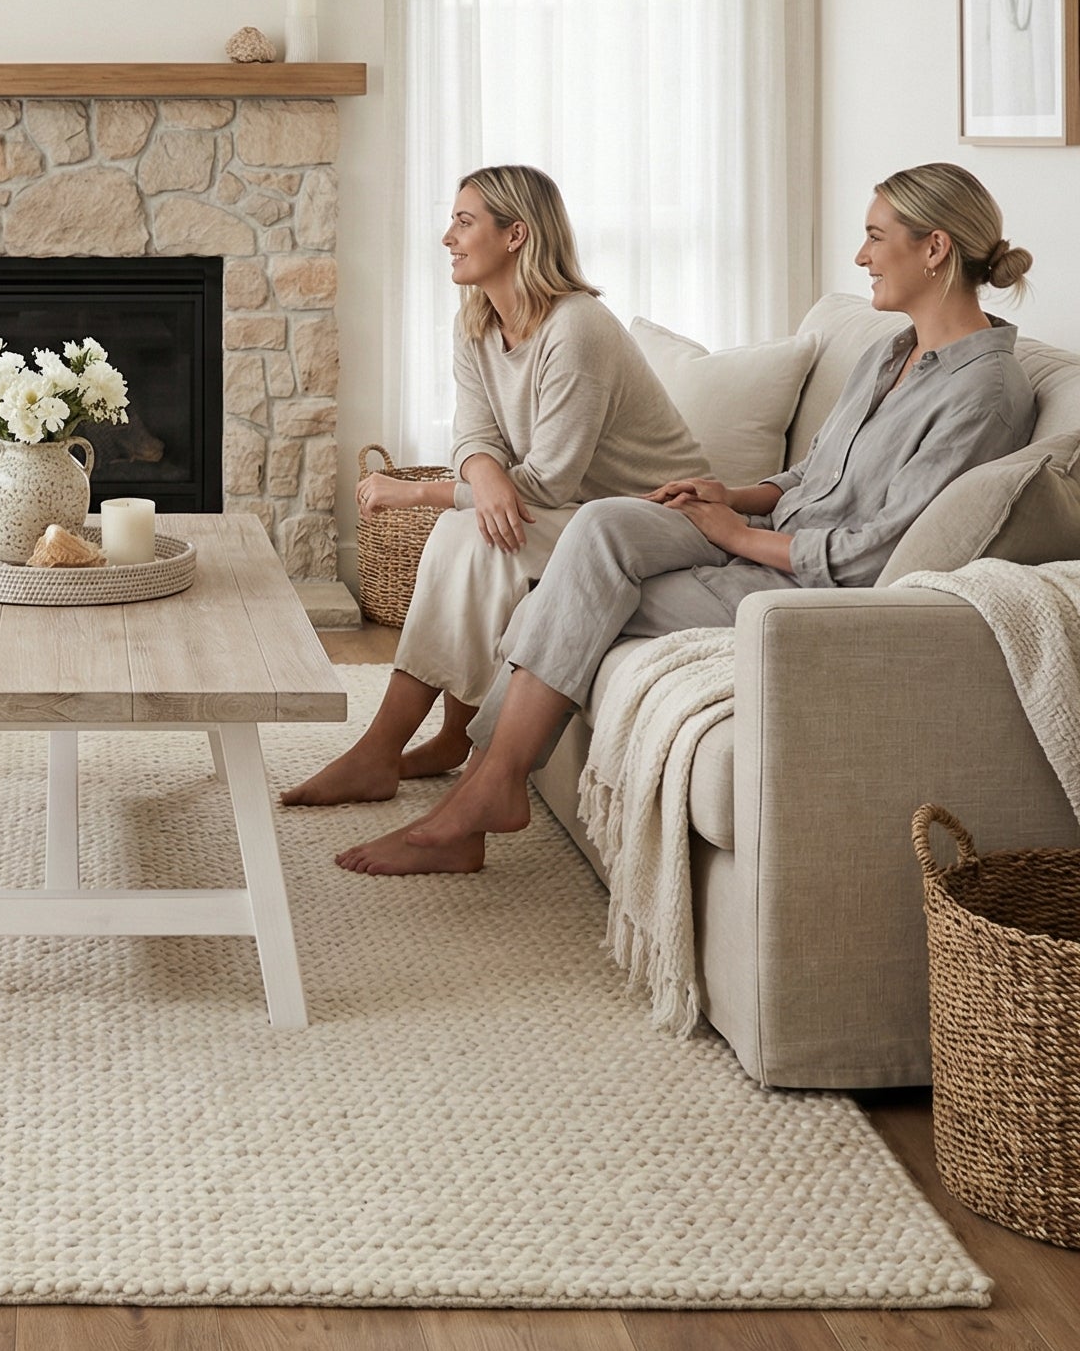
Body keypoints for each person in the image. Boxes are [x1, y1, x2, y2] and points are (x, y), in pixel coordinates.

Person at [340, 161, 1038, 875]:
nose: (861, 256)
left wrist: (740, 537)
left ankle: (487, 788)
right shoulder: (891, 352)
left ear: (934, 248)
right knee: (601, 527)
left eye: (875, 237)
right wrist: (730, 496)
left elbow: (875, 555)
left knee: (564, 595)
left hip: (806, 590)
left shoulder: (983, 394)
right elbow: (812, 475)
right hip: (762, 539)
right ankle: (481, 781)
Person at [284, 165, 703, 812]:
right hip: (578, 510)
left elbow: (547, 483)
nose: (447, 237)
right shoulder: (475, 321)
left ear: (516, 235)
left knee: (476, 535)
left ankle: (382, 751)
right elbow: (474, 436)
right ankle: (440, 739)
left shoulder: (578, 327)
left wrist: (415, 492)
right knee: (473, 526)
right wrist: (480, 472)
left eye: (464, 221)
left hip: (655, 520)